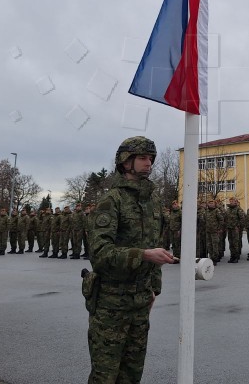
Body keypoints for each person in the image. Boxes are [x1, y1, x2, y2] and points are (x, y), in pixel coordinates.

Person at [86, 136, 173, 383]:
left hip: (140, 302)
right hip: (111, 303)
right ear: (126, 162)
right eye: (143, 158)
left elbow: (155, 245)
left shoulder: (153, 201)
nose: (149, 163)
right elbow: (100, 254)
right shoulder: (111, 200)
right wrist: (144, 255)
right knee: (105, 375)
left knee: (132, 374)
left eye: (151, 158)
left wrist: (153, 289)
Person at [225, 197, 244, 263]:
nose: (231, 202)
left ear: (236, 202)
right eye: (230, 201)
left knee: (235, 243)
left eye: (233, 201)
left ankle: (236, 257)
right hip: (229, 228)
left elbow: (242, 219)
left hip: (235, 229)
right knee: (231, 243)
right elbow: (226, 218)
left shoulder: (238, 209)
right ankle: (232, 256)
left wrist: (238, 227)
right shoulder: (228, 209)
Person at [204, 198, 223, 264]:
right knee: (209, 245)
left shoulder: (217, 211)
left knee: (215, 245)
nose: (210, 204)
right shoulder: (206, 211)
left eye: (212, 203)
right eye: (209, 203)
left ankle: (215, 258)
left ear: (214, 204)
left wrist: (219, 228)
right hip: (208, 231)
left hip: (215, 231)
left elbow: (221, 220)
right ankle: (211, 257)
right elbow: (204, 220)